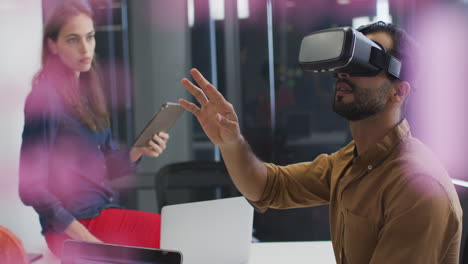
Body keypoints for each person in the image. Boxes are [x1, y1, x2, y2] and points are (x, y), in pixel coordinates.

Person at [179, 21, 463, 263]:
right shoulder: (352, 161)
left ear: (398, 92)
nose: (344, 73)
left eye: (365, 62)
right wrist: (230, 142)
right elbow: (269, 186)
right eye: (345, 63)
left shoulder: (416, 187)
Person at [19, 1, 168, 256]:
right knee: (175, 234)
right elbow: (30, 187)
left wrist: (138, 151)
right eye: (73, 40)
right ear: (52, 45)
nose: (85, 49)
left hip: (102, 212)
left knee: (179, 235)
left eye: (90, 37)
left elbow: (107, 164)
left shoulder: (87, 94)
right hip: (74, 228)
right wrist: (86, 239)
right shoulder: (45, 99)